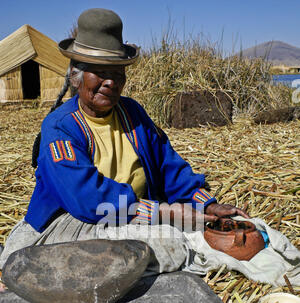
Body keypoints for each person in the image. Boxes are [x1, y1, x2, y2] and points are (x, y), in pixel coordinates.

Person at [0, 8, 249, 274]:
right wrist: (163, 214)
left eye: (117, 73)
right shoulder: (61, 128)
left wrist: (206, 203)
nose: (110, 82)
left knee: (173, 242)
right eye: (99, 72)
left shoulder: (132, 113)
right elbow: (88, 200)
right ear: (76, 75)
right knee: (165, 245)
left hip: (131, 217)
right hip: (73, 222)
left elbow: (168, 166)